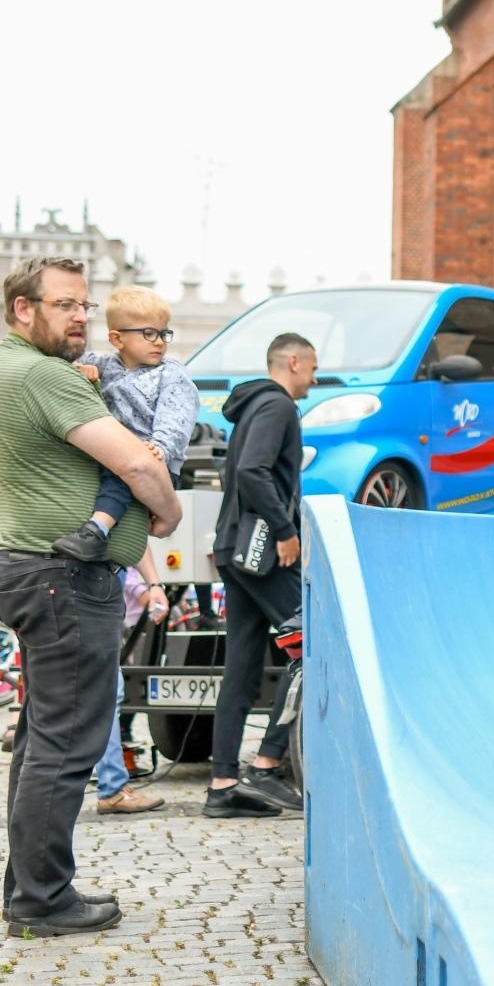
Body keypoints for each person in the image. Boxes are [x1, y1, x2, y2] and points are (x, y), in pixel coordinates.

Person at [0, 257, 181, 937]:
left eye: (84, 304)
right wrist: (167, 515)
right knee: (67, 743)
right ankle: (42, 900)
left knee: (43, 738)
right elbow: (136, 461)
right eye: (64, 305)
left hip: (31, 568)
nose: (80, 317)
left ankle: (27, 887)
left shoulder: (9, 368)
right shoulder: (44, 375)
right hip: (64, 578)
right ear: (24, 310)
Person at [205, 332, 317, 818]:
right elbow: (253, 472)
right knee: (314, 640)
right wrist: (286, 530)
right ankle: (268, 764)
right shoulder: (278, 407)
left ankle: (224, 784)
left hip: (235, 549)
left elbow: (244, 472)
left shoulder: (251, 406)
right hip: (264, 551)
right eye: (312, 367)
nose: (314, 377)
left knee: (243, 665)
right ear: (293, 361)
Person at [52, 286, 198, 563]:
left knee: (123, 475)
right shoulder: (101, 364)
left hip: (153, 456)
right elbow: (59, 365)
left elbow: (177, 416)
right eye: (149, 333)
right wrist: (78, 372)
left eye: (164, 333)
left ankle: (97, 529)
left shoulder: (171, 374)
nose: (159, 342)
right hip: (114, 453)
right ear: (117, 339)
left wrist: (161, 446)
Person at [93, 556, 169, 814]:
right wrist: (153, 584)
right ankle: (113, 788)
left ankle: (113, 786)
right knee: (107, 691)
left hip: (98, 585)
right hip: (95, 585)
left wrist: (154, 584)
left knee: (107, 691)